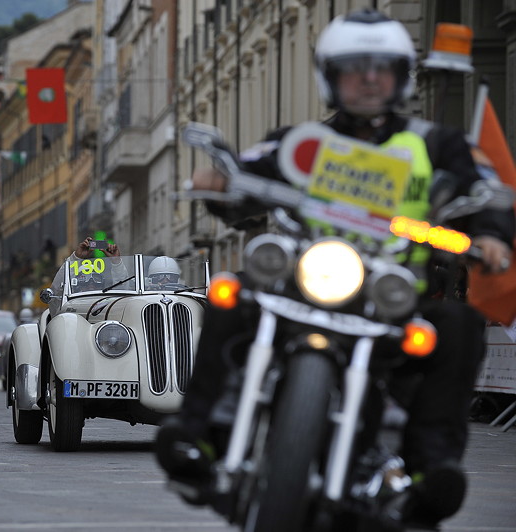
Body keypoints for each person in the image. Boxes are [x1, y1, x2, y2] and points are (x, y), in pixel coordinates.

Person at [155, 8, 514, 529]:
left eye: (381, 70)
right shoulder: (301, 143)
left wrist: (491, 233)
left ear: (399, 78)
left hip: (394, 295)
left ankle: (428, 469)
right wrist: (220, 186)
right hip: (303, 282)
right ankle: (199, 437)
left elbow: (486, 189)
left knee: (456, 327)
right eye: (354, 70)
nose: (368, 82)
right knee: (231, 294)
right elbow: (247, 175)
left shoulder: (437, 145)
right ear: (330, 77)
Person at [48, 237, 126, 316]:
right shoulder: (66, 306)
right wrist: (75, 258)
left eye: (96, 279)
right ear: (76, 285)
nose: (91, 284)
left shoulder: (109, 306)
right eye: (84, 279)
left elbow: (123, 293)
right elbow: (56, 293)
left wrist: (116, 263)